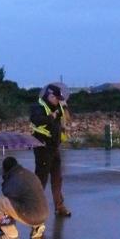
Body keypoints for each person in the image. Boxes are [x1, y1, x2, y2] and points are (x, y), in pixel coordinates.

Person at [31, 84, 72, 216]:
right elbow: (37, 121)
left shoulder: (58, 106)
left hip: (54, 147)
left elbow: (68, 118)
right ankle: (36, 207)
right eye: (56, 98)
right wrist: (52, 116)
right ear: (50, 96)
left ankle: (59, 207)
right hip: (42, 147)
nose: (58, 101)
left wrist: (64, 106)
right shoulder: (38, 107)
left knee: (57, 178)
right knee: (41, 179)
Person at [0, 156, 49, 239]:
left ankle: (11, 234)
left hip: (32, 215)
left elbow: (6, 193)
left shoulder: (15, 177)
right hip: (43, 214)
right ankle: (38, 226)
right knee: (27, 201)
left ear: (5, 169)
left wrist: (5, 180)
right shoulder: (28, 173)